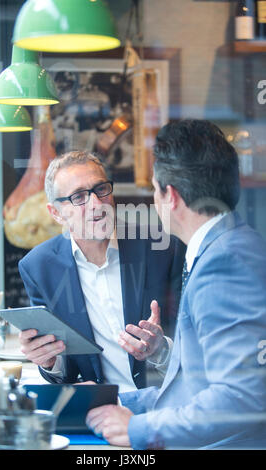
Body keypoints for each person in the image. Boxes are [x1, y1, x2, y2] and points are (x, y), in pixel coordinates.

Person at [86, 119, 266, 449]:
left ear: (171, 196)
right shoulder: (227, 247)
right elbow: (201, 382)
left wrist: (139, 429)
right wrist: (122, 404)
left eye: (154, 189)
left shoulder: (225, 263)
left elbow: (241, 397)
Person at [18, 151, 185, 392]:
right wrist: (50, 361)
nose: (96, 204)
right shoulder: (38, 267)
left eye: (101, 189)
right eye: (79, 197)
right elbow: (67, 371)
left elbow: (198, 350)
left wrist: (161, 350)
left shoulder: (162, 249)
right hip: (97, 409)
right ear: (56, 213)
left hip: (161, 405)